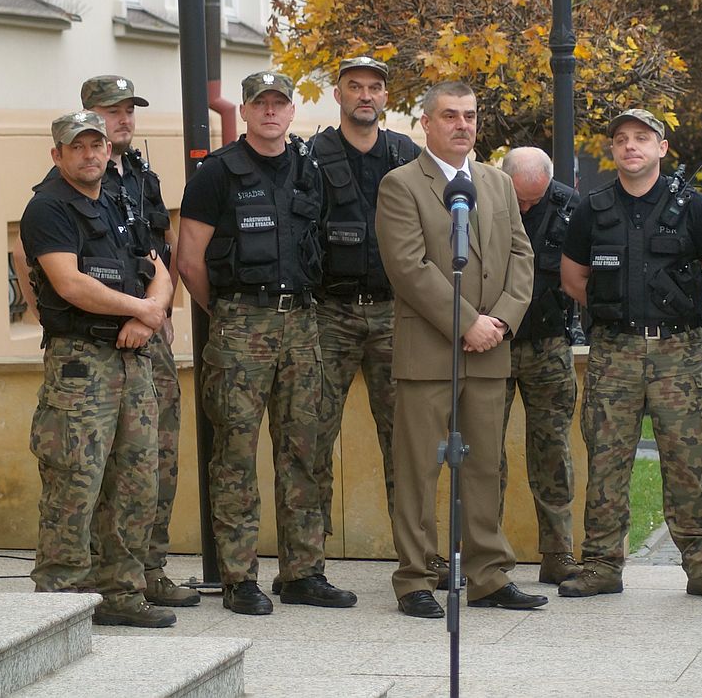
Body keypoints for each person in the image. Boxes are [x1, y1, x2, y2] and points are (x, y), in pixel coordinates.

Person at [178, 71, 356, 615]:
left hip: (302, 325)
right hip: (242, 326)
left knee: (306, 449)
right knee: (235, 453)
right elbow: (189, 259)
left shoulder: (311, 170)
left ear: (291, 111)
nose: (271, 113)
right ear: (247, 111)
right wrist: (230, 313)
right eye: (261, 104)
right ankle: (239, 577)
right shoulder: (215, 174)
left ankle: (303, 571)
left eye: (280, 103)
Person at [14, 76, 195, 608]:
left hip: (133, 358)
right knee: (76, 482)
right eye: (80, 145)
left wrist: (153, 308)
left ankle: (123, 590)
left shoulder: (121, 196)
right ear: (59, 153)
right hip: (81, 364)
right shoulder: (49, 207)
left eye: (97, 144)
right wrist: (141, 307)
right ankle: (60, 602)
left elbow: (157, 264)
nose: (92, 153)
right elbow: (67, 283)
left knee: (137, 478)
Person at [375, 81, 544, 618]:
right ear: (426, 123)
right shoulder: (401, 185)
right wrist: (467, 323)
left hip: (491, 349)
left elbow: (522, 256)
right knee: (419, 468)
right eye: (450, 115)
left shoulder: (496, 182)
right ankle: (416, 578)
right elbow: (409, 268)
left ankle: (488, 575)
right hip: (430, 353)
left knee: (484, 467)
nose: (462, 125)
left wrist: (502, 320)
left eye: (470, 115)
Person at [559, 108, 702, 602]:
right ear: (612, 150)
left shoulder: (694, 207)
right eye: (621, 139)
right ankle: (600, 563)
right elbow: (573, 279)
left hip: (678, 353)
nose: (630, 146)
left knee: (687, 459)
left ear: (661, 147)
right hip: (613, 353)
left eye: (642, 138)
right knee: (607, 460)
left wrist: (684, 312)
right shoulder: (592, 209)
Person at [292, 56, 442, 592]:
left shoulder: (406, 155)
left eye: (375, 87)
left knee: (409, 440)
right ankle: (304, 567)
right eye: (355, 86)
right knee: (310, 438)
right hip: (328, 313)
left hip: (395, 312)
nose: (365, 95)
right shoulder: (308, 156)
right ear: (337, 94)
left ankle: (421, 560)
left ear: (385, 97)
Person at [499, 147, 582, 586]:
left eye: (536, 199)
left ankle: (558, 552)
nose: (528, 207)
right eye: (520, 199)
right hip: (493, 340)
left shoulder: (572, 207)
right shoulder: (481, 200)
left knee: (552, 450)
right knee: (484, 450)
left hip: (549, 342)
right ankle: (486, 554)